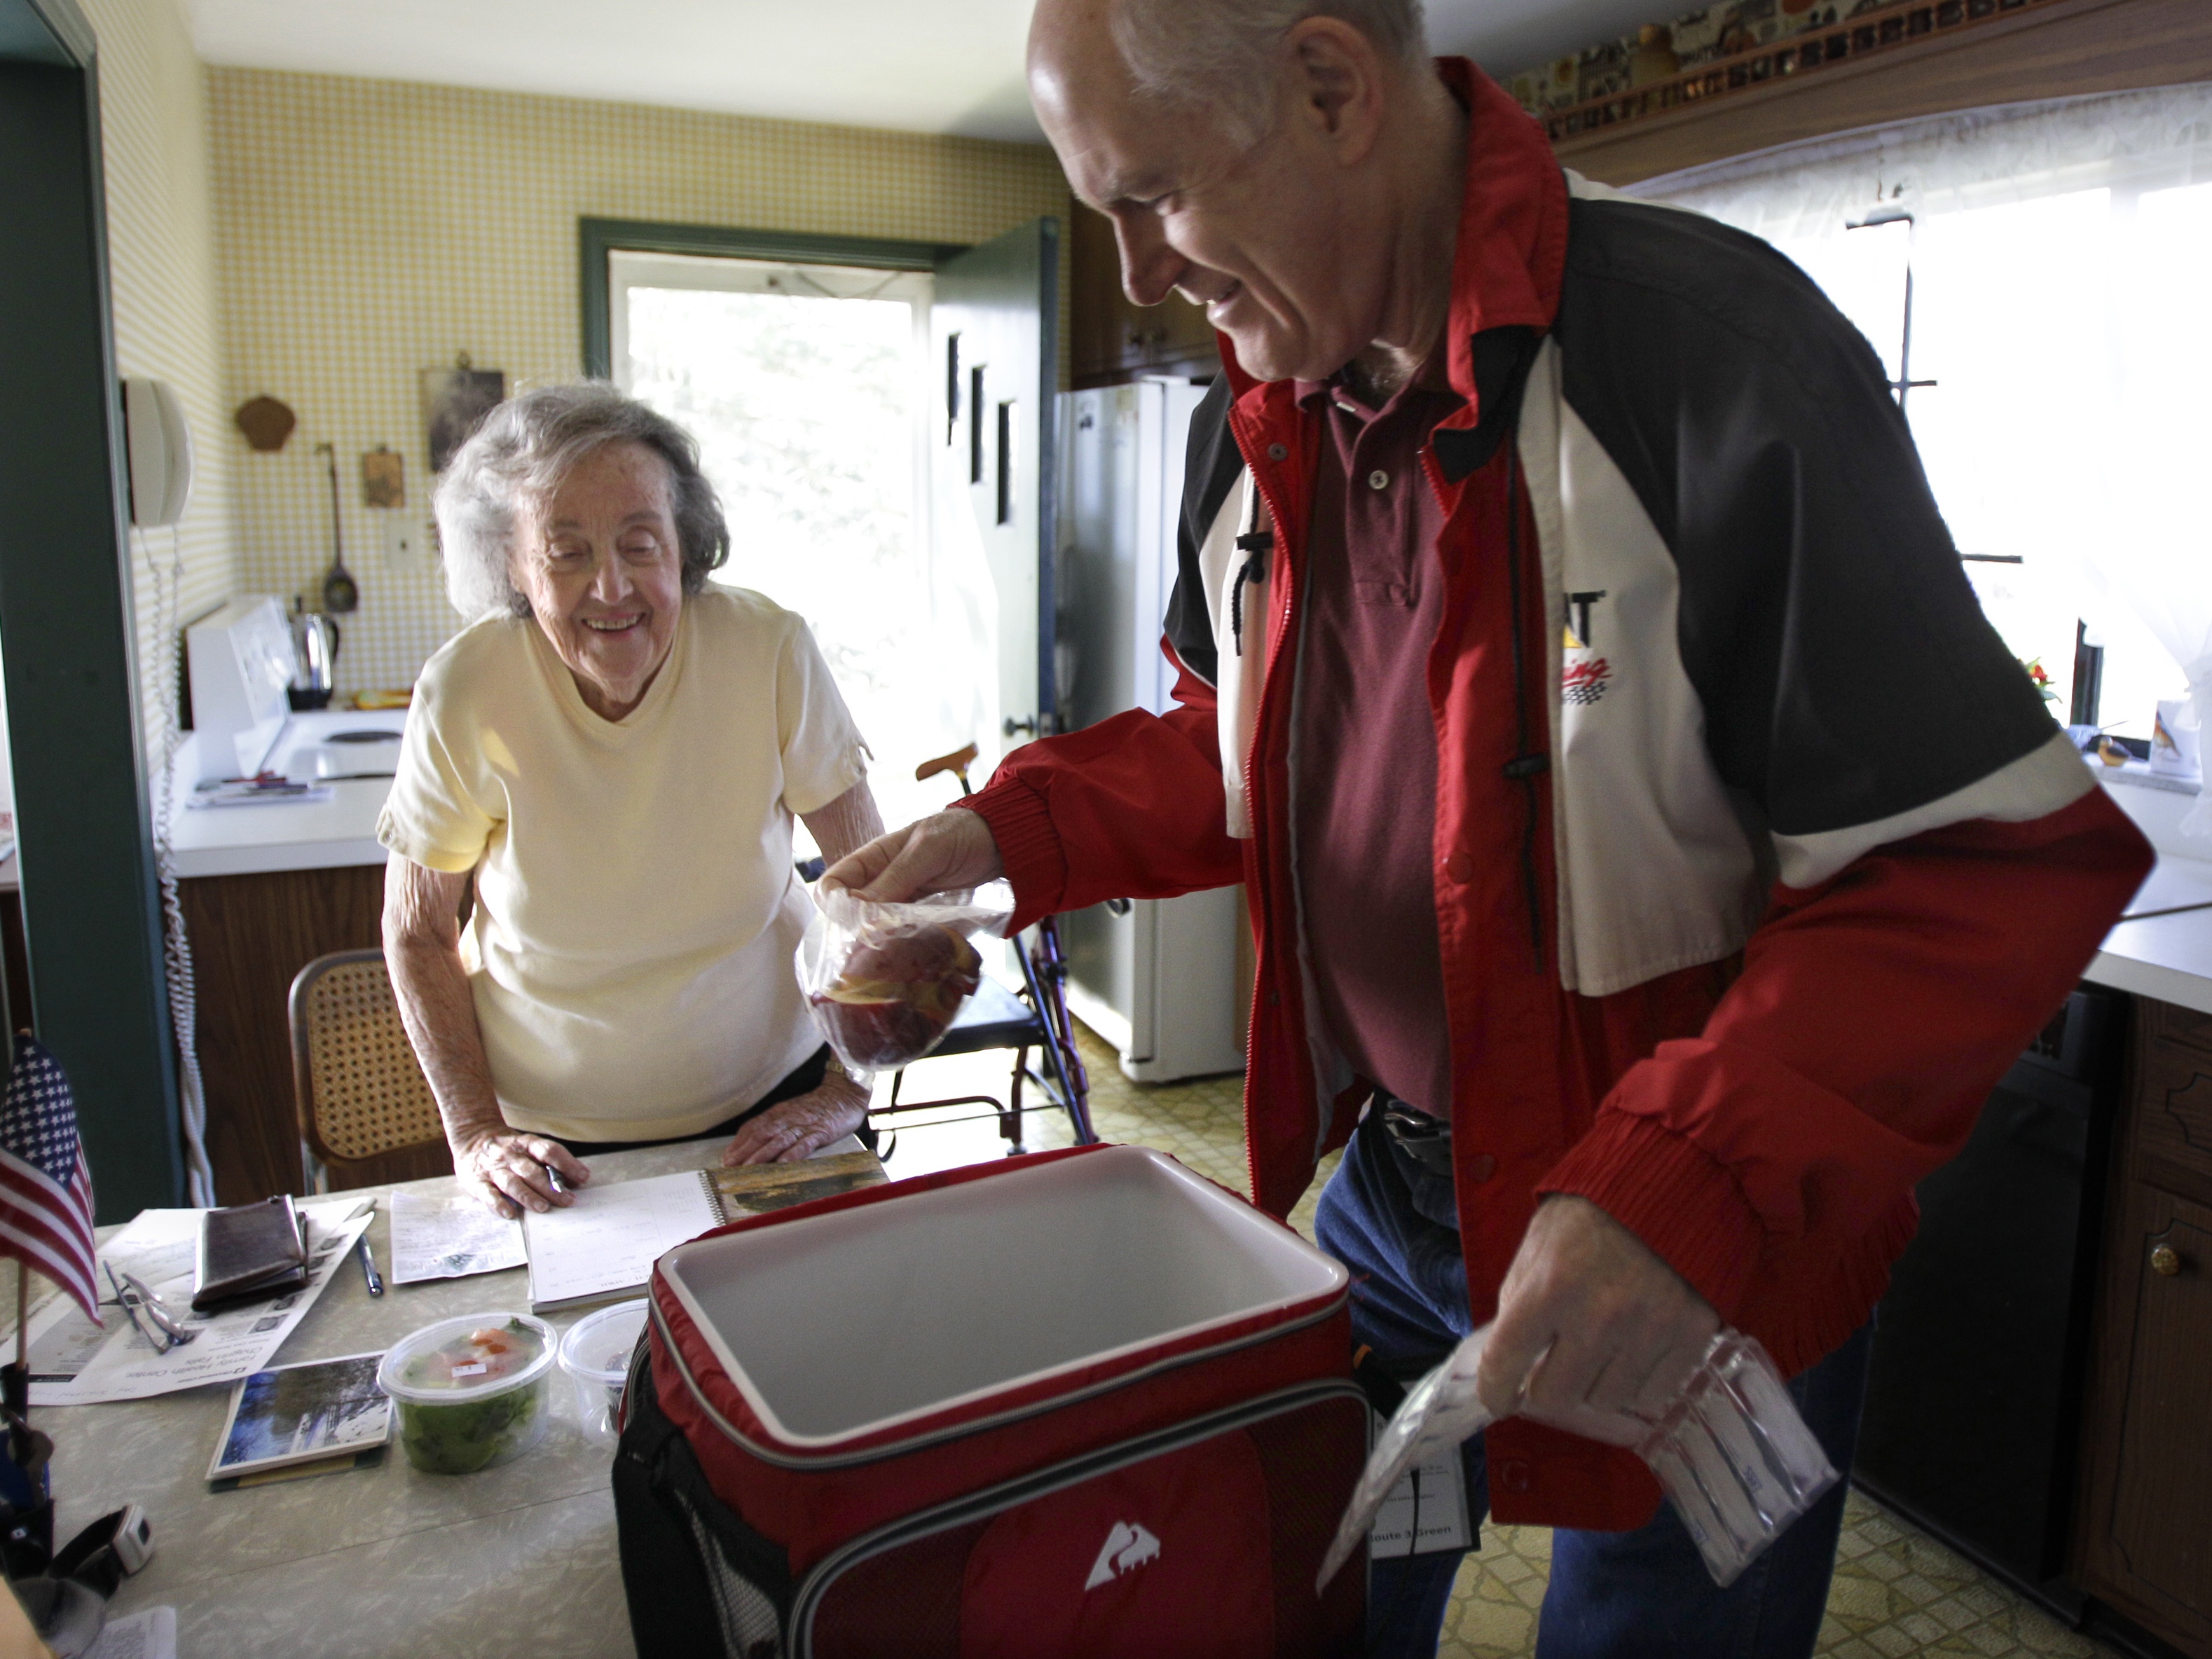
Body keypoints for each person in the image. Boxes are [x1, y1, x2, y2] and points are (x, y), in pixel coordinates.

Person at [827, 2, 2155, 1655]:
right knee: (1312, 1602)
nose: (1137, 274)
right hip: (1392, 1202)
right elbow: (1240, 743)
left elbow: (1976, 862)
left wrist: (1678, 1189)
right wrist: (1002, 836)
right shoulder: (1250, 419)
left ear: (1328, 87)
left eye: (1152, 195)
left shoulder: (1703, 357)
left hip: (1695, 1247)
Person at [380, 383, 881, 1220]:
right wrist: (472, 1132)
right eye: (566, 551)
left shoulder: (766, 650)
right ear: (512, 565)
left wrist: (847, 1084)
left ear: (683, 547)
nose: (610, 587)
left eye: (640, 544)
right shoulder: (467, 689)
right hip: (555, 1147)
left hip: (775, 1103)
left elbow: (872, 883)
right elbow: (418, 928)